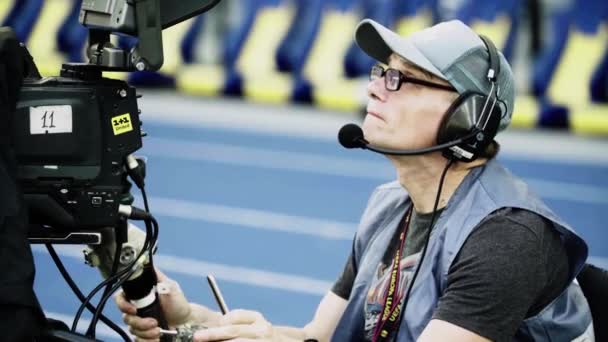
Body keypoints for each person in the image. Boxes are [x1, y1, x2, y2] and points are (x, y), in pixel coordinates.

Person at [116, 19, 594, 342]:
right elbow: (315, 337)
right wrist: (192, 322)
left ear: (468, 117)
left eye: (402, 79)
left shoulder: (507, 238)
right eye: (382, 72)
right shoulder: (391, 204)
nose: (373, 86)